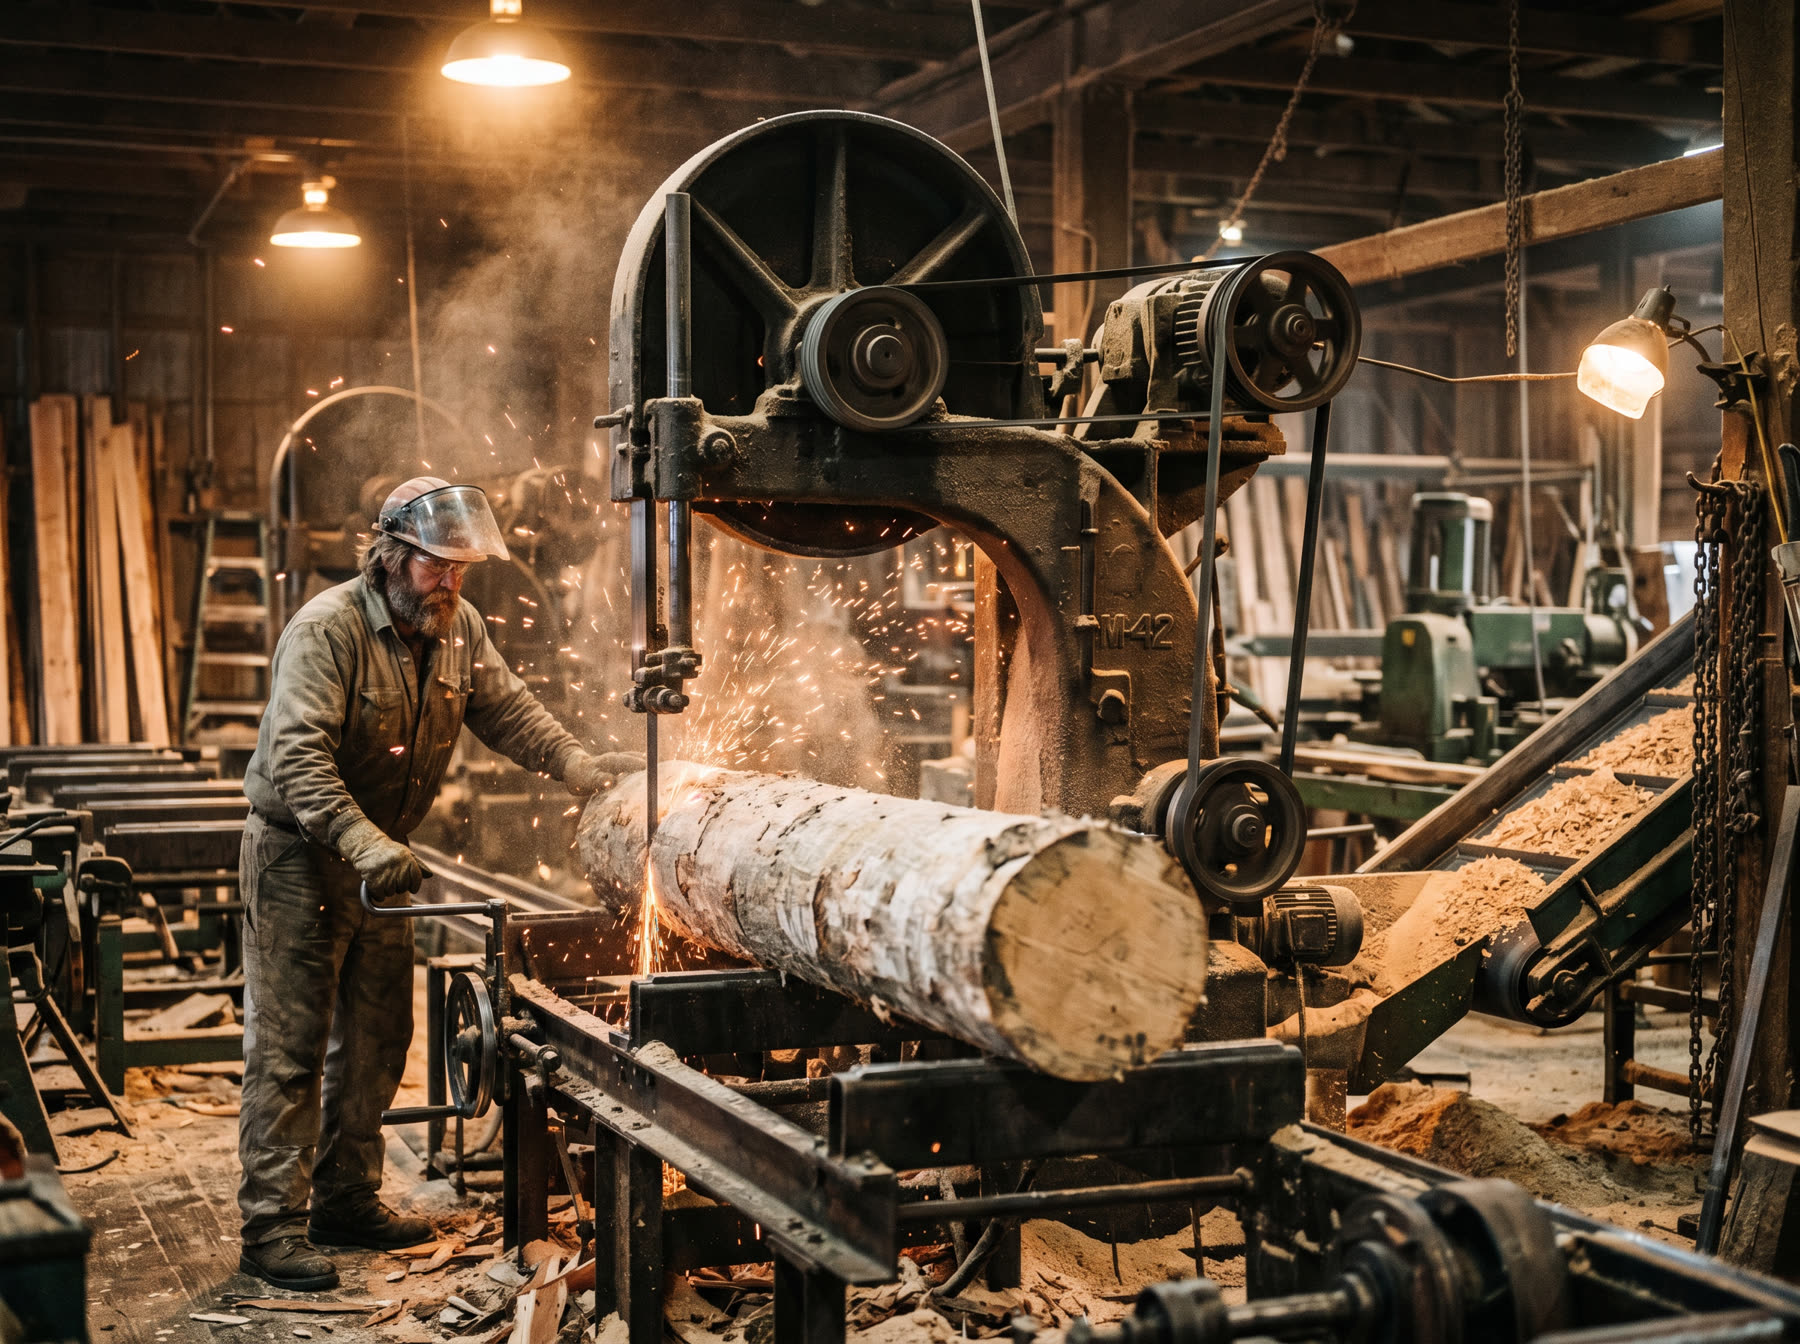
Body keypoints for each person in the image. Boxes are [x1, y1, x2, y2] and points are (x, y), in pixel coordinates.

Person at [237, 476, 637, 1290]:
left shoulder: (459, 628)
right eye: (436, 567)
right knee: (292, 1046)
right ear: (390, 556)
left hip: (381, 861)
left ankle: (345, 1199)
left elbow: (508, 710)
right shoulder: (328, 630)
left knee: (379, 1036)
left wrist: (576, 765)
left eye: (462, 569)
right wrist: (359, 839)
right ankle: (271, 1229)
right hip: (300, 859)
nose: (451, 583)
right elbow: (298, 759)